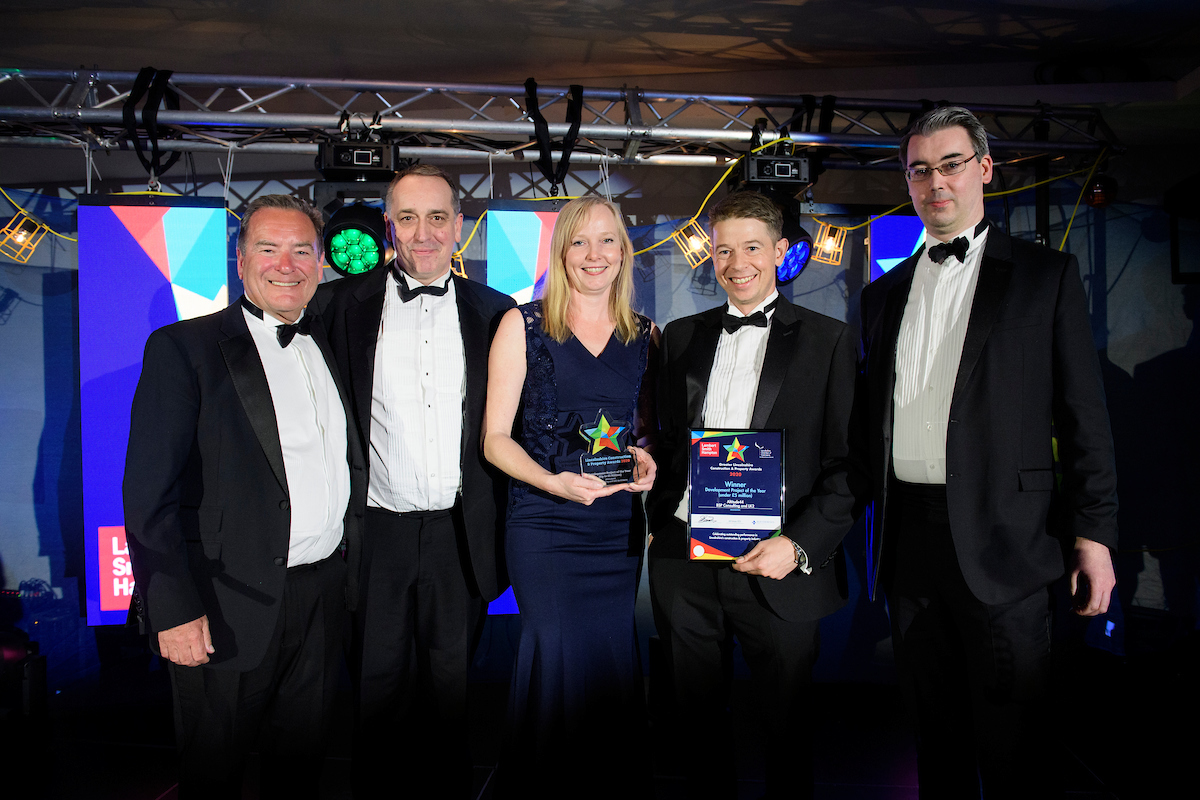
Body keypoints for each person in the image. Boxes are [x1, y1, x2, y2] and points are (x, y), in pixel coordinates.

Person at [857, 106, 1119, 796]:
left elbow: (1084, 417)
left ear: (983, 170)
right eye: (919, 169)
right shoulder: (881, 296)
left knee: (1013, 748)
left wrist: (1094, 536)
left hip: (1011, 542)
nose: (934, 181)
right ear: (908, 183)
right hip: (909, 544)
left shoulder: (1045, 276)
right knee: (931, 739)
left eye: (950, 164)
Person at [123, 195, 364, 799]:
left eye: (302, 250)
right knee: (213, 776)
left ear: (321, 262)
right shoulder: (183, 348)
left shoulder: (331, 342)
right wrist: (173, 608)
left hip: (320, 598)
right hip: (221, 604)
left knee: (300, 770)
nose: (287, 265)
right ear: (240, 259)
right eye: (268, 248)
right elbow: (148, 493)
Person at [646, 190, 860, 799]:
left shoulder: (830, 341)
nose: (736, 263)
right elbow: (665, 440)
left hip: (779, 565)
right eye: (722, 250)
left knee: (786, 736)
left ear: (782, 253)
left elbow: (850, 466)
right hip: (686, 561)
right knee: (696, 733)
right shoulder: (682, 337)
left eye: (751, 248)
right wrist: (656, 507)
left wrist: (797, 545)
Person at [311, 164, 514, 798]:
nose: (422, 233)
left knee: (452, 700)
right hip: (376, 535)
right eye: (407, 218)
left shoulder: (497, 313)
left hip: (461, 532)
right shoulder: (336, 306)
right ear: (388, 225)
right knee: (376, 698)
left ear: (460, 226)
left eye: (436, 218)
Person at [483, 195, 658, 798]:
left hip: (614, 533)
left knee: (611, 661)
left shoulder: (646, 336)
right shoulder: (522, 325)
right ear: (561, 253)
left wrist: (644, 461)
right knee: (553, 655)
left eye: (607, 240)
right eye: (579, 241)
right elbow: (495, 441)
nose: (594, 254)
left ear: (623, 252)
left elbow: (641, 435)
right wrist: (553, 482)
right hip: (545, 526)